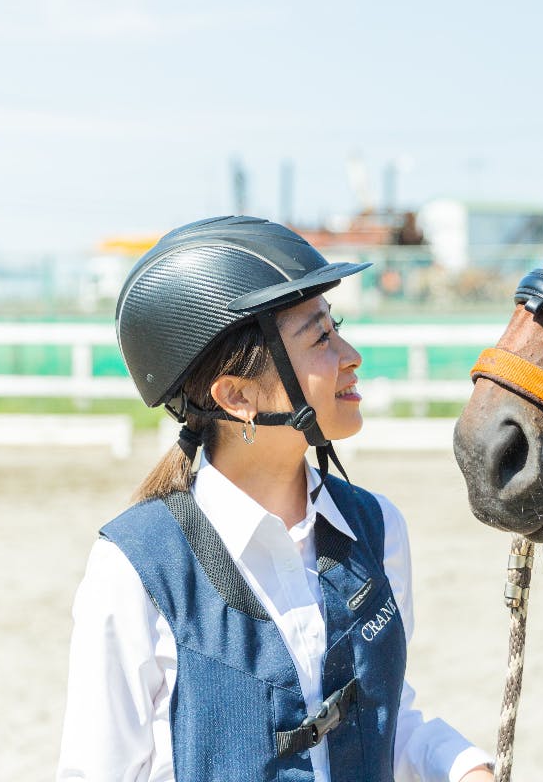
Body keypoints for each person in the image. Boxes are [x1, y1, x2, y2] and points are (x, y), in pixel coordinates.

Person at [56, 216, 495, 782]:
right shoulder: (135, 568)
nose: (350, 354)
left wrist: (461, 767)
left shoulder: (378, 528)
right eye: (320, 339)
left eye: (336, 328)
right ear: (236, 395)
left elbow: (386, 720)